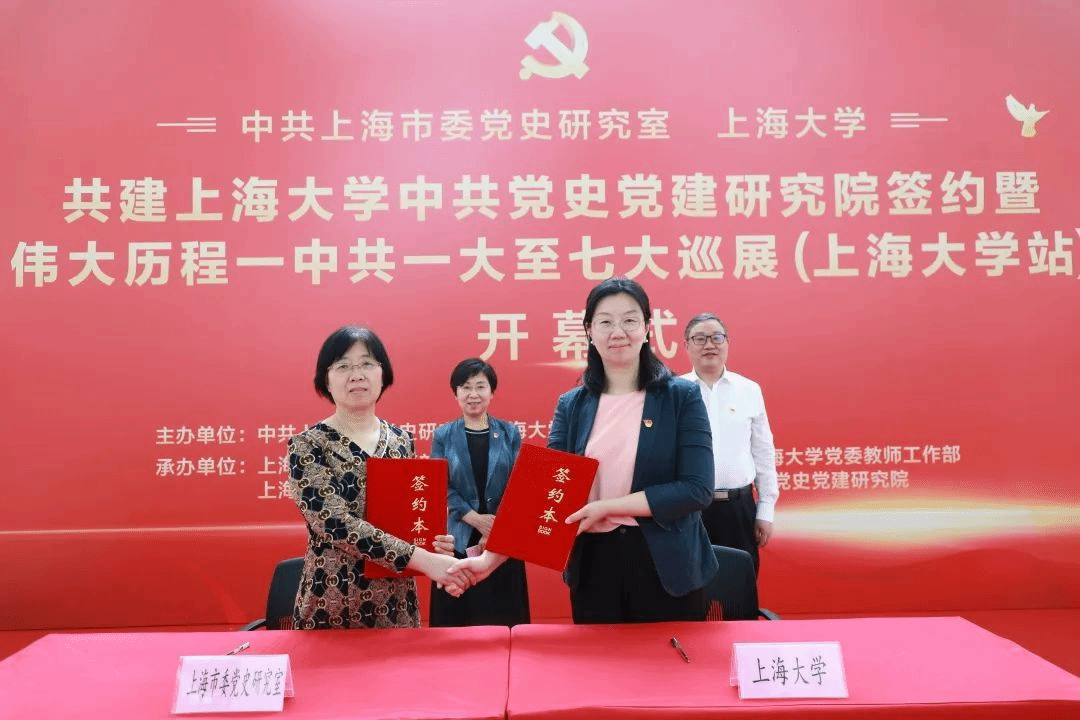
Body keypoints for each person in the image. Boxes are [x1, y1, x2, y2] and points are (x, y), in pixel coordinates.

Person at [449, 278, 717, 624]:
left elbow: (696, 489)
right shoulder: (572, 404)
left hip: (668, 565)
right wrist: (489, 561)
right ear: (589, 330)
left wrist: (606, 507)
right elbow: (547, 492)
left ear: (647, 328)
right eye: (605, 321)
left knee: (668, 658)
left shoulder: (681, 396)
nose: (617, 331)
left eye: (630, 320)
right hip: (595, 566)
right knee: (598, 659)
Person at [286, 326, 470, 629]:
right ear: (325, 380)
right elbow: (335, 524)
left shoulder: (401, 440)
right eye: (343, 366)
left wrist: (434, 544)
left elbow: (408, 517)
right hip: (333, 603)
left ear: (383, 374)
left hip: (397, 604)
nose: (357, 375)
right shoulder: (308, 445)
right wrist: (425, 560)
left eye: (367, 364)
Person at [428, 358, 531, 627]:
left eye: (480, 386)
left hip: (502, 539)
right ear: (456, 393)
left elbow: (519, 485)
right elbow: (439, 484)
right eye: (465, 387)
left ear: (491, 392)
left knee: (503, 622)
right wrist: (474, 518)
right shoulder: (443, 435)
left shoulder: (509, 433)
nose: (473, 394)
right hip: (458, 537)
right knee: (457, 626)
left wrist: (494, 528)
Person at [680, 313, 779, 575]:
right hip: (688, 510)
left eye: (716, 337)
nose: (709, 345)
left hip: (739, 508)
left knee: (739, 586)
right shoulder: (674, 391)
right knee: (690, 588)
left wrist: (765, 510)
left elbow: (763, 451)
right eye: (699, 339)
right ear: (687, 345)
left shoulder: (749, 389)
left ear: (727, 343)